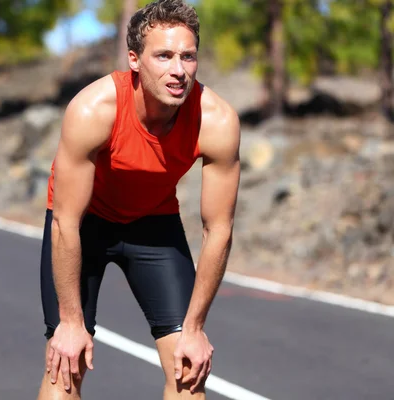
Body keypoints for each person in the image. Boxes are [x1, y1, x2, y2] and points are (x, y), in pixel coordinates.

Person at [37, 0, 241, 398]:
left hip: (153, 223)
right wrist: (70, 322)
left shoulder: (216, 120)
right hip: (85, 224)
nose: (178, 70)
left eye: (188, 56)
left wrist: (195, 329)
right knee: (66, 365)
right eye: (163, 56)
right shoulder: (94, 109)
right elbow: (65, 221)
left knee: (189, 370)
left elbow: (219, 229)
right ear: (134, 59)